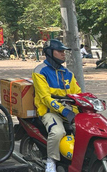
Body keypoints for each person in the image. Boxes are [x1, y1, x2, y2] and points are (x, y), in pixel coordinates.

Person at [32, 39, 82, 172]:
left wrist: (82, 107)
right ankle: (51, 161)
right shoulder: (40, 71)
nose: (63, 54)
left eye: (64, 52)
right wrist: (64, 111)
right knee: (58, 132)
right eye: (60, 51)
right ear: (49, 52)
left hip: (68, 111)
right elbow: (45, 97)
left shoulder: (68, 73)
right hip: (49, 112)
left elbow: (77, 93)